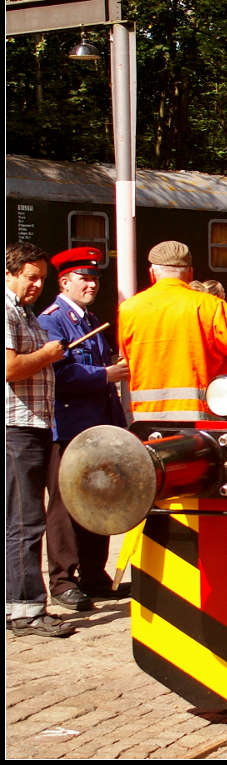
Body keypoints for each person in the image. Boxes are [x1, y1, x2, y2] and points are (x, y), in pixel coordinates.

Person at [38, 247, 130, 612]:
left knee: (98, 498)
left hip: (96, 426)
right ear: (64, 282)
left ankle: (94, 576)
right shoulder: (52, 321)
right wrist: (104, 375)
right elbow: (57, 374)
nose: (92, 284)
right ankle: (63, 580)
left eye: (94, 278)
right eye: (83, 278)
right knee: (64, 505)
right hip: (69, 427)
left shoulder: (89, 320)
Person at [118, 241, 227, 421]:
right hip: (200, 424)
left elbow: (127, 361)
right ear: (190, 273)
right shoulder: (209, 305)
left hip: (146, 422)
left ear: (152, 273)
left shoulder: (128, 310)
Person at [5, 241, 74, 637]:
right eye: (31, 277)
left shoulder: (24, 312)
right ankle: (26, 610)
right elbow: (11, 368)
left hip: (32, 425)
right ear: (10, 273)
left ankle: (25, 605)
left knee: (25, 518)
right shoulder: (8, 312)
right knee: (25, 520)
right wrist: (48, 355)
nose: (36, 285)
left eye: (41, 279)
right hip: (16, 427)